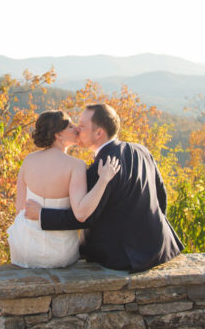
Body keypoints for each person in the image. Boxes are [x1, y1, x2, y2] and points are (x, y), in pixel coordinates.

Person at [25, 103, 182, 273]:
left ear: (99, 133)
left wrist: (42, 214)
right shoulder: (141, 151)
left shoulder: (101, 168)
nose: (77, 128)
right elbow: (161, 196)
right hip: (160, 248)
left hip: (123, 258)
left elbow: (84, 217)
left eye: (83, 125)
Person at [7, 110, 121, 268]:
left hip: (25, 248)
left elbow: (20, 208)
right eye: (70, 126)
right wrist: (103, 180)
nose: (76, 129)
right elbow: (81, 213)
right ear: (58, 135)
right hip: (60, 253)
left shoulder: (29, 160)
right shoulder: (76, 165)